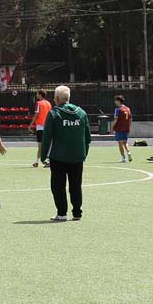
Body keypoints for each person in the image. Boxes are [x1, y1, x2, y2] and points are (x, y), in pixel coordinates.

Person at [40, 85, 91, 222]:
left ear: (57, 98)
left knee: (58, 186)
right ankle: (77, 213)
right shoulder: (81, 113)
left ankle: (62, 213)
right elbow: (87, 137)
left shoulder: (54, 113)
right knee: (76, 185)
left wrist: (43, 155)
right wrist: (84, 153)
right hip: (77, 156)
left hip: (58, 157)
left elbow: (47, 136)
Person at [32, 89, 53, 168]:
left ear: (40, 95)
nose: (36, 95)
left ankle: (38, 161)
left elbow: (36, 115)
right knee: (48, 144)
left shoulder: (38, 103)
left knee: (40, 145)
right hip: (48, 126)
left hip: (40, 127)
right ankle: (46, 160)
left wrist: (31, 124)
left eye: (37, 94)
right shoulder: (49, 103)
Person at [112, 95, 133, 163]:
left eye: (115, 101)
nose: (115, 102)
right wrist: (129, 126)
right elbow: (130, 118)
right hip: (126, 128)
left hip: (119, 128)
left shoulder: (118, 109)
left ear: (118, 101)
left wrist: (112, 127)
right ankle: (128, 152)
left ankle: (123, 158)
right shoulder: (128, 108)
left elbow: (116, 119)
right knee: (125, 142)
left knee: (120, 143)